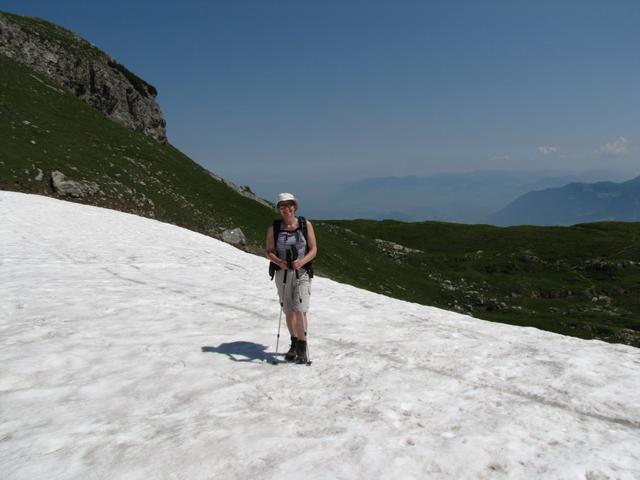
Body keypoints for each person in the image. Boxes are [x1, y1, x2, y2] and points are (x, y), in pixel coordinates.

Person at [266, 193, 317, 363]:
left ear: (294, 207)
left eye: (289, 205)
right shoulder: (274, 228)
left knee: (300, 309)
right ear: (279, 209)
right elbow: (269, 251)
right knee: (288, 309)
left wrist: (301, 261)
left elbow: (314, 249)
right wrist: (280, 262)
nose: (286, 209)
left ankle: (302, 345)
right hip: (283, 273)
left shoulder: (305, 224)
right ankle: (294, 342)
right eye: (282, 206)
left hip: (302, 272)